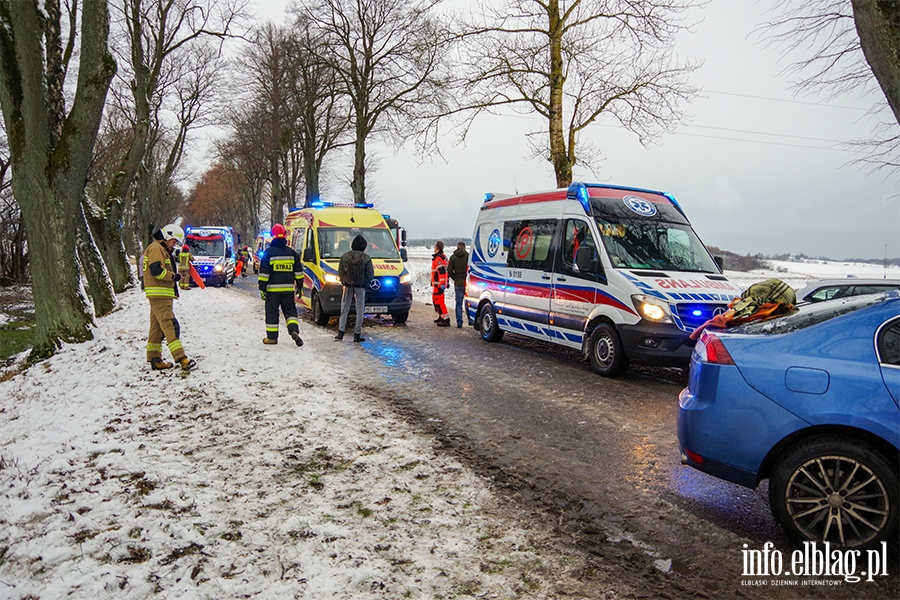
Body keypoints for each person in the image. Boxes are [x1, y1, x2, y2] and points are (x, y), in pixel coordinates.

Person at [142, 224, 196, 371]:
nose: (174, 245)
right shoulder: (156, 248)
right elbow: (156, 271)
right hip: (160, 295)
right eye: (174, 242)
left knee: (157, 328)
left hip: (158, 294)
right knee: (170, 326)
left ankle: (155, 359)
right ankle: (181, 358)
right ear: (167, 237)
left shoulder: (159, 249)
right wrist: (174, 276)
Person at [258, 223, 303, 347]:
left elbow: (264, 275)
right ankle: (293, 330)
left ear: (273, 236)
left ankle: (272, 338)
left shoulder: (268, 253)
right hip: (288, 290)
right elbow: (298, 272)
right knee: (290, 311)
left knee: (272, 312)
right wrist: (299, 286)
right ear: (284, 236)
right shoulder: (292, 253)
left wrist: (262, 288)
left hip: (272, 291)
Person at [335, 234, 374, 343]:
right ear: (364, 246)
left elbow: (341, 271)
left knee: (344, 309)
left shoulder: (345, 256)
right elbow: (370, 274)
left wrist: (344, 282)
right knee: (360, 311)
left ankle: (340, 333)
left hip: (347, 286)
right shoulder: (366, 258)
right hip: (360, 287)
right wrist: (365, 284)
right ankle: (357, 334)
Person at [447, 241, 469, 328]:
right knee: (468, 302)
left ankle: (459, 322)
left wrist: (455, 278)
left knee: (458, 303)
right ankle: (470, 319)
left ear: (457, 247)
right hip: (467, 283)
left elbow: (449, 271)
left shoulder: (453, 257)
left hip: (458, 283)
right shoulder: (468, 256)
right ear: (464, 247)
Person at [431, 240, 450, 327]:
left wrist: (442, 283)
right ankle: (441, 316)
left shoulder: (439, 258)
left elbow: (442, 272)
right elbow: (446, 271)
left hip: (439, 285)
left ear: (437, 248)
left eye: (435, 247)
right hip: (438, 284)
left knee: (439, 302)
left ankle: (445, 319)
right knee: (436, 301)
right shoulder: (443, 257)